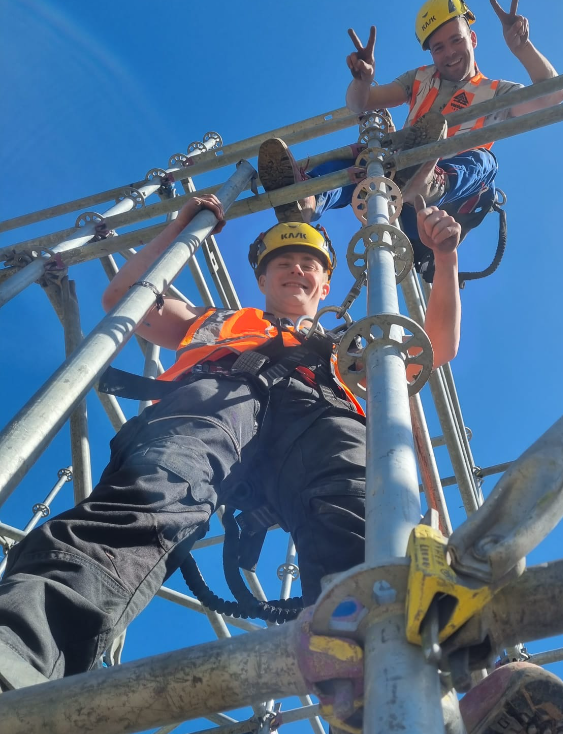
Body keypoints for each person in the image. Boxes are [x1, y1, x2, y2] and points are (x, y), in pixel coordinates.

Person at [0, 192, 461, 692]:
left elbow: (434, 347)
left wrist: (444, 258)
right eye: (282, 262)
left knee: (362, 518)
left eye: (309, 264)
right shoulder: (219, 320)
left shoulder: (352, 348)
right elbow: (124, 296)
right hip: (221, 396)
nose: (295, 270)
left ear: (326, 284)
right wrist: (180, 228)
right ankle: (18, 645)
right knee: (153, 494)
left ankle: (391, 692)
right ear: (262, 279)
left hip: (321, 412)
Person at [257, 0, 563, 276]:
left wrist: (522, 48)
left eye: (456, 40)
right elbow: (360, 104)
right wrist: (362, 81)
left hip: (442, 211)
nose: (449, 53)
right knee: (368, 156)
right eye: (438, 47)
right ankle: (306, 199)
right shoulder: (421, 78)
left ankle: (429, 181)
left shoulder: (496, 92)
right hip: (400, 188)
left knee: (486, 162)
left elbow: (553, 96)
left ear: (472, 39)